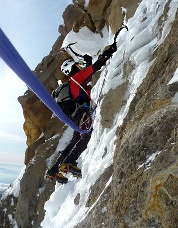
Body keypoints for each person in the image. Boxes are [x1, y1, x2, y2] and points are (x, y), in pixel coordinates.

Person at [52, 42, 117, 130]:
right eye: (76, 65)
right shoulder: (77, 78)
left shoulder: (73, 81)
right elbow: (94, 68)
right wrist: (108, 53)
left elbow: (87, 76)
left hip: (83, 115)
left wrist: (88, 62)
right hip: (85, 113)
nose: (79, 66)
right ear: (72, 67)